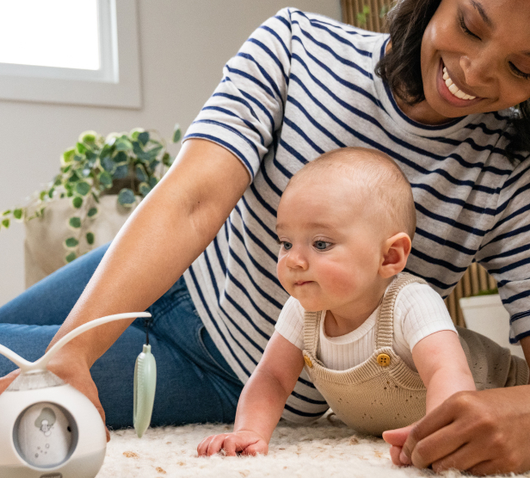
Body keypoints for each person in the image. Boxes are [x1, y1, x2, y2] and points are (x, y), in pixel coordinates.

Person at [0, 0, 530, 478]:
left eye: (521, 67)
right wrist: (71, 353)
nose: (474, 73)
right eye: (471, 27)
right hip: (167, 267)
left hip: (222, 368)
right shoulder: (296, 45)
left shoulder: (509, 171)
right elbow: (190, 201)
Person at [197, 147, 528, 458]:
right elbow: (272, 377)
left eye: (321, 244)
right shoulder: (303, 310)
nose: (294, 260)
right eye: (285, 242)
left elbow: (448, 372)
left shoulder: (411, 301)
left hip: (509, 393)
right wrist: (248, 431)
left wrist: (437, 432)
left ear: (389, 256)